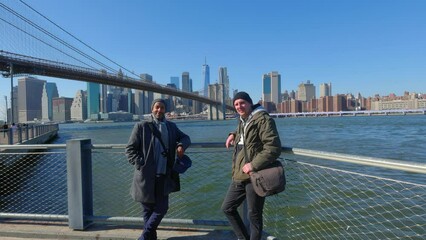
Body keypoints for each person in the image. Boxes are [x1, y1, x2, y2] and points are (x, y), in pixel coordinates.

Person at [125, 98, 191, 240]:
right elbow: (130, 149)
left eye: (162, 108)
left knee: (162, 208)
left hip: (164, 174)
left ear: (165, 110)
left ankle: (143, 237)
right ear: (152, 109)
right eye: (157, 107)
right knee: (147, 211)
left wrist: (181, 146)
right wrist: (140, 164)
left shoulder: (171, 127)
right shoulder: (141, 126)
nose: (159, 110)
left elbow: (186, 138)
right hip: (146, 176)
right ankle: (149, 238)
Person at [222, 91, 282, 240]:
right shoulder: (244, 119)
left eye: (242, 103)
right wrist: (233, 134)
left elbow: (273, 147)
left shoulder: (262, 119)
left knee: (254, 215)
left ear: (250, 103)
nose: (239, 106)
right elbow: (245, 134)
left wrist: (253, 165)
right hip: (239, 175)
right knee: (227, 208)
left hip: (254, 175)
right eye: (236, 104)